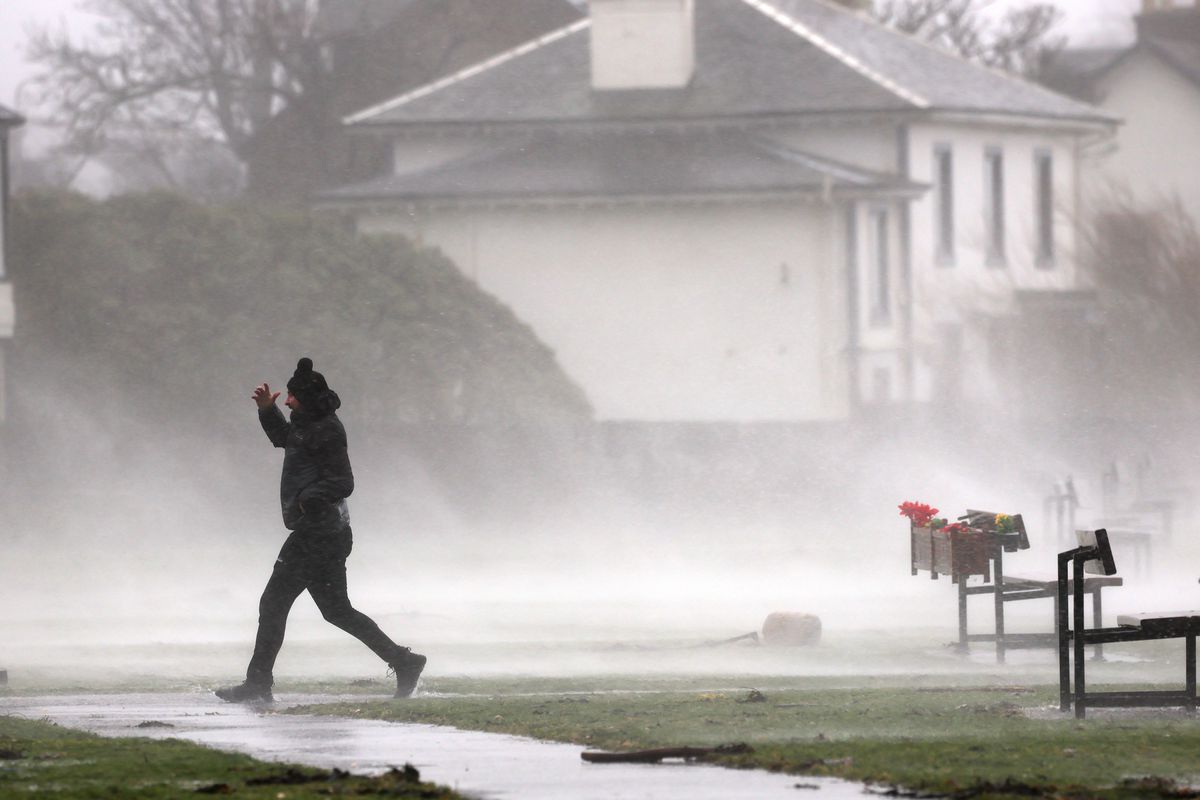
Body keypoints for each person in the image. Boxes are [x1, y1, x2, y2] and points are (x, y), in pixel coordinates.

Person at [216, 358, 426, 703]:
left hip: (319, 534)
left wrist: (307, 499)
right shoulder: (305, 424)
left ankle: (257, 685)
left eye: (292, 397)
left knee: (274, 603)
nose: (287, 401)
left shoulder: (328, 428)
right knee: (336, 611)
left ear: (307, 398)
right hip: (324, 533)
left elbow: (344, 481)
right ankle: (405, 661)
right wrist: (267, 411)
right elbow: (284, 438)